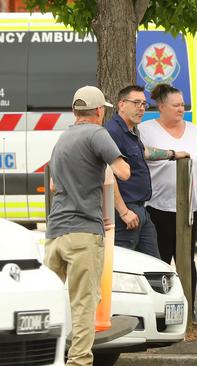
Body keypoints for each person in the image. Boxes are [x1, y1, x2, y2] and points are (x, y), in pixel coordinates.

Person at [44, 86, 130, 366]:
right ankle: (78, 362)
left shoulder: (62, 139)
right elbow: (123, 172)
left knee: (47, 304)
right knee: (83, 305)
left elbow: (55, 185)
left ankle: (45, 357)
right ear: (99, 111)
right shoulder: (97, 133)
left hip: (55, 233)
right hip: (84, 233)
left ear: (74, 111)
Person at [139, 83, 197, 321]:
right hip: (157, 207)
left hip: (188, 210)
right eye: (175, 105)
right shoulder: (146, 130)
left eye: (182, 105)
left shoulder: (193, 131)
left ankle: (189, 309)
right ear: (161, 106)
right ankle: (161, 312)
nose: (180, 109)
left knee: (186, 260)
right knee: (161, 260)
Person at [105, 85, 189, 258]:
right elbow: (107, 176)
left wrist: (172, 154)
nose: (141, 108)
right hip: (125, 214)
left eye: (144, 104)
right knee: (123, 268)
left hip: (141, 210)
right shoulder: (113, 131)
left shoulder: (129, 131)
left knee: (154, 266)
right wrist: (123, 212)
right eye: (136, 103)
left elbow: (144, 152)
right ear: (121, 104)